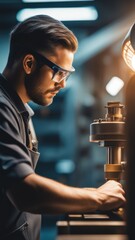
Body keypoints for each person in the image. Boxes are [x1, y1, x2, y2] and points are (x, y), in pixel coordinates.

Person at [0, 15, 125, 240]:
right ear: (29, 64)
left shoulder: (21, 111)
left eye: (67, 74)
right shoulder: (1, 109)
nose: (63, 83)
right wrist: (99, 199)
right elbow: (25, 191)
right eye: (59, 72)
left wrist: (91, 194)